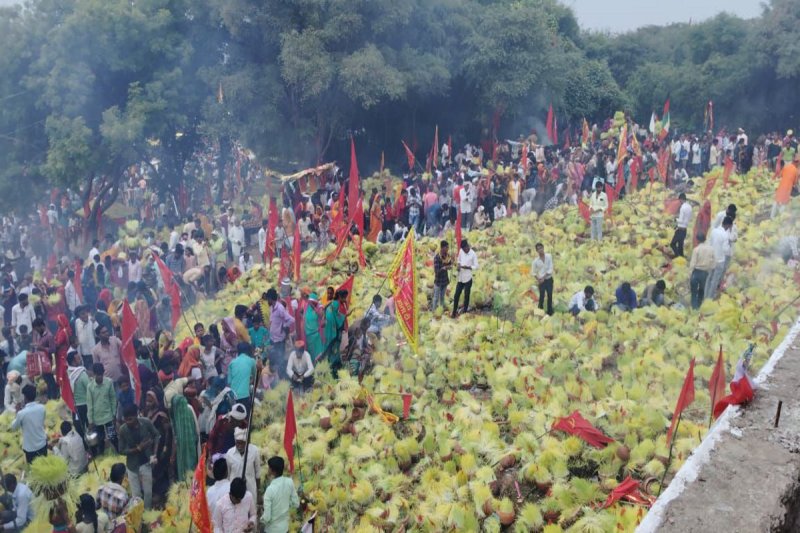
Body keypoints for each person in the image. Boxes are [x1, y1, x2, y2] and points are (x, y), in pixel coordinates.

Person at [117, 404, 160, 509]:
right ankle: (138, 516)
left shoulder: (146, 423)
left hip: (146, 462)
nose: (128, 422)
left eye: (130, 419)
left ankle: (147, 513)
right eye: (126, 420)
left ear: (136, 416)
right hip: (132, 465)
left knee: (148, 492)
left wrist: (154, 453)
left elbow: (157, 435)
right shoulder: (123, 430)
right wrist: (137, 449)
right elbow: (121, 450)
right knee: (136, 495)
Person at [261, 456, 300, 533]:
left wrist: (260, 519)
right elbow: (296, 504)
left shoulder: (270, 490)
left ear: (272, 471)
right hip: (284, 528)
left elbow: (267, 518)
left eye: (269, 468)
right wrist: (285, 505)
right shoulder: (289, 482)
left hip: (271, 530)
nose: (268, 469)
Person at [87, 362, 118, 455]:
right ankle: (102, 456)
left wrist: (113, 414)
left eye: (101, 375)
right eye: (98, 375)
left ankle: (118, 452)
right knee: (100, 440)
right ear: (94, 374)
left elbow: (113, 399)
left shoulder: (109, 382)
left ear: (103, 373)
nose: (100, 377)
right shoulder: (90, 387)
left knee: (113, 437)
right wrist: (90, 421)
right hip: (97, 419)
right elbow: (90, 404)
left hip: (109, 416)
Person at [11, 384, 47, 463]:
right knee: (44, 466)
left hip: (30, 448)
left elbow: (13, 427)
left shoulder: (21, 413)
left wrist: (17, 412)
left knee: (34, 470)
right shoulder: (42, 407)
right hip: (42, 443)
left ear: (25, 397)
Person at [225, 427, 261, 500]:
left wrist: (259, 491)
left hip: (250, 490)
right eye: (238, 443)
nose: (240, 446)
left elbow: (258, 473)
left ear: (247, 442)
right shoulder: (229, 453)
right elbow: (228, 475)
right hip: (235, 493)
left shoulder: (254, 451)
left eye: (242, 443)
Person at [706, 216, 732, 300]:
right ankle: (710, 297)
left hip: (711, 258)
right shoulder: (725, 235)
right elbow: (726, 249)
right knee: (715, 280)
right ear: (728, 225)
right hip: (720, 260)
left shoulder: (714, 231)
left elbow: (709, 243)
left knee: (709, 277)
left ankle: (705, 295)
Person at [322, 290, 347, 377]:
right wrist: (344, 317)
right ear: (340, 297)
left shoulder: (331, 304)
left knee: (332, 350)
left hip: (329, 331)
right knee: (334, 350)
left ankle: (334, 364)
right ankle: (334, 369)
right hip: (334, 332)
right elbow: (337, 318)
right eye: (345, 298)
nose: (345, 299)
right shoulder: (335, 304)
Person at [452, 239, 478, 318]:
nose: (464, 251)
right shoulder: (461, 251)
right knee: (456, 295)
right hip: (460, 277)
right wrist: (459, 265)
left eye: (465, 249)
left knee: (467, 295)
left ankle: (465, 311)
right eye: (463, 249)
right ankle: (454, 311)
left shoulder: (473, 254)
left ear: (467, 246)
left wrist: (469, 267)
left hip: (468, 278)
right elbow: (459, 260)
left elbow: (476, 266)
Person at [689, 233, 715, 309]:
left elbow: (692, 264)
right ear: (705, 239)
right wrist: (710, 269)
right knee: (702, 290)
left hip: (696, 272)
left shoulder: (696, 250)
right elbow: (714, 262)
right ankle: (699, 305)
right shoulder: (711, 249)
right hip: (705, 272)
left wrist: (690, 274)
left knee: (694, 291)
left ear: (697, 240)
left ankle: (694, 307)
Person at [228, 342, 258, 408]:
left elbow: (229, 382)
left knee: (235, 415)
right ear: (248, 350)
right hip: (244, 395)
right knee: (245, 415)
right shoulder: (251, 361)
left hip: (232, 395)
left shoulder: (232, 362)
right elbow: (256, 377)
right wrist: (249, 382)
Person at [67, 350, 90, 436]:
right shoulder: (81, 373)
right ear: (73, 362)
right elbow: (89, 388)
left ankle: (84, 445)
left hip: (75, 407)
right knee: (89, 427)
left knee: (79, 428)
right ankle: (93, 446)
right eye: (78, 358)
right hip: (85, 405)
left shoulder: (67, 373)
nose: (80, 360)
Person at [531, 243, 554, 315]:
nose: (540, 250)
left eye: (541, 248)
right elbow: (533, 272)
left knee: (550, 295)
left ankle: (550, 311)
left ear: (543, 248)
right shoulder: (535, 261)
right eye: (538, 249)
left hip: (549, 279)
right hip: (541, 281)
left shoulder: (549, 256)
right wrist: (538, 280)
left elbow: (550, 269)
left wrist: (543, 277)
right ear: (537, 251)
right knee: (541, 296)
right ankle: (540, 311)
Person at [432, 241, 452, 313]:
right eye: (447, 247)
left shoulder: (447, 256)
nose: (448, 249)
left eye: (448, 247)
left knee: (442, 297)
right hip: (438, 281)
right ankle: (433, 311)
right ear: (442, 248)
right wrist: (444, 268)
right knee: (436, 298)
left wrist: (450, 266)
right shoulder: (437, 257)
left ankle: (441, 311)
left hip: (445, 280)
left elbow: (450, 265)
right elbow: (436, 271)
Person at [670, 193, 692, 257]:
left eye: (680, 201)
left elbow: (681, 220)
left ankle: (677, 256)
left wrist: (675, 219)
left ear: (681, 199)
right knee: (680, 245)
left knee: (672, 244)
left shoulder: (683, 207)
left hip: (680, 229)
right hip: (685, 230)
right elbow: (689, 218)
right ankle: (681, 256)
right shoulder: (689, 206)